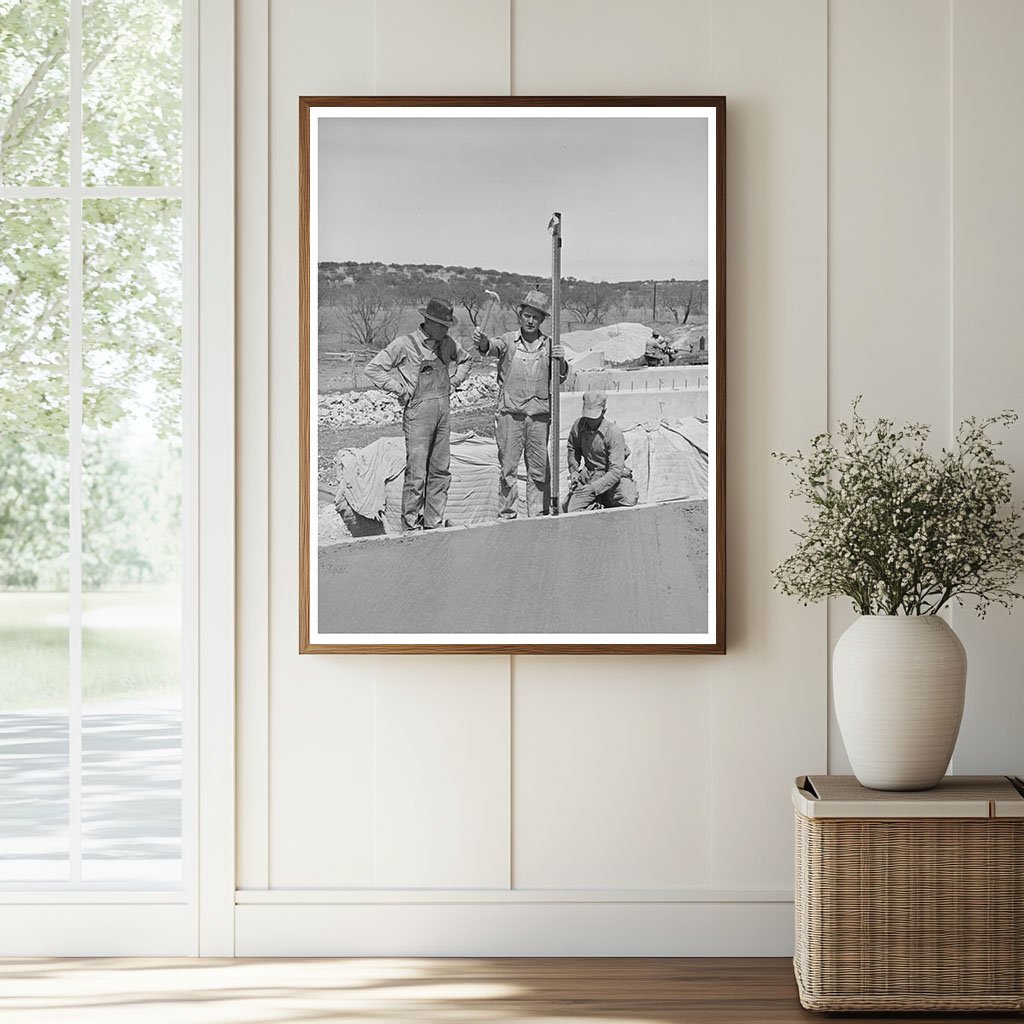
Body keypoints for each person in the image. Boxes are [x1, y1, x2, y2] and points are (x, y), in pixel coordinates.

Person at [365, 297, 471, 531]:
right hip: (418, 415)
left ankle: (433, 522)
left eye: (447, 326)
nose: (445, 329)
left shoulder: (448, 344)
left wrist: (454, 383)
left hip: (443, 413)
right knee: (417, 473)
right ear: (428, 321)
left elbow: (466, 361)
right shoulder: (405, 344)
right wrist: (399, 389)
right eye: (442, 325)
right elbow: (373, 368)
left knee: (440, 470)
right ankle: (411, 526)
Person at [473, 290, 568, 519]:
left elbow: (561, 377)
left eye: (536, 317)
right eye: (527, 315)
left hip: (539, 418)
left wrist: (561, 359)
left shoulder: (549, 345)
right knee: (508, 470)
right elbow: (489, 348)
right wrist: (483, 342)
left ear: (542, 320)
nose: (530, 321)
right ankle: (507, 515)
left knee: (538, 471)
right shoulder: (508, 341)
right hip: (510, 416)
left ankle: (538, 516)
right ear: (520, 315)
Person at [564, 390, 639, 513]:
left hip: (611, 477)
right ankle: (595, 504)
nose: (590, 420)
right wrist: (573, 471)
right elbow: (573, 448)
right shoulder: (579, 425)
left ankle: (606, 500)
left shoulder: (613, 433)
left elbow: (615, 471)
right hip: (590, 475)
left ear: (604, 412)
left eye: (594, 417)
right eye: (587, 416)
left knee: (628, 498)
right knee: (571, 509)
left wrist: (594, 488)